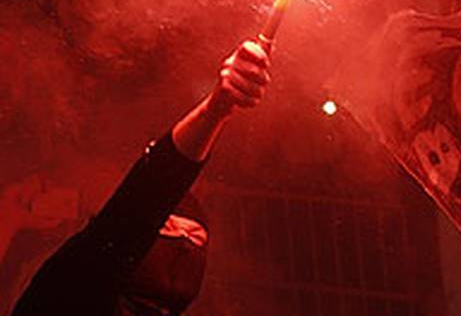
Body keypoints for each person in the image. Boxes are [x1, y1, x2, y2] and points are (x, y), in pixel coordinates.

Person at [12, 39, 272, 316]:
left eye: (196, 236)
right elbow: (145, 198)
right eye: (169, 229)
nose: (184, 244)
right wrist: (215, 109)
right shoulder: (72, 291)